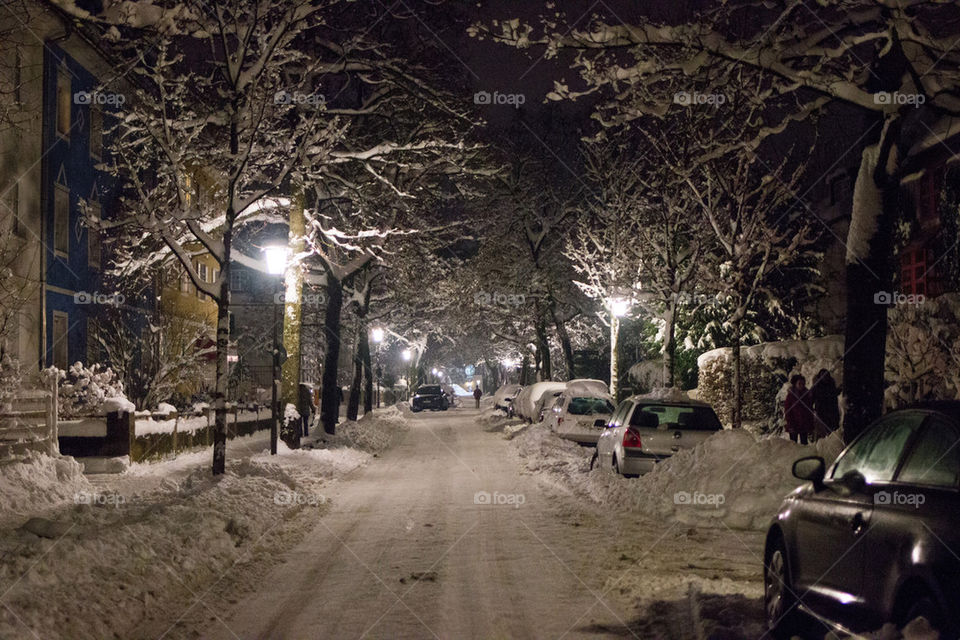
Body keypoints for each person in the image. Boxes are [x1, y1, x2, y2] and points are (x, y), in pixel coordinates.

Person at [784, 374, 814, 445]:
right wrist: (790, 423)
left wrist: (810, 423)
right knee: (793, 444)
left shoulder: (807, 395)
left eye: (803, 383)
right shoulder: (791, 395)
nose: (802, 385)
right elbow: (788, 410)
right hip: (793, 424)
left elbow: (809, 410)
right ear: (795, 384)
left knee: (804, 443)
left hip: (804, 424)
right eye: (799, 383)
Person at [811, 369, 841, 437]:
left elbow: (834, 394)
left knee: (834, 430)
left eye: (826, 375)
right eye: (822, 375)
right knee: (824, 431)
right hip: (821, 412)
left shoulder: (831, 385)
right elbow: (811, 398)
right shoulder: (816, 387)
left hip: (833, 411)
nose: (824, 377)